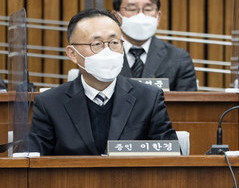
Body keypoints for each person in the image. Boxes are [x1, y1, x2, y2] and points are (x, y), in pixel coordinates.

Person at [28, 8, 177, 155]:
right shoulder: (49, 103)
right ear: (73, 54)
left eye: (114, 42)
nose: (108, 51)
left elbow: (173, 158)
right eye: (97, 44)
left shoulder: (149, 98)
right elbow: (33, 162)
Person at [112, 0, 197, 91]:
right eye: (132, 9)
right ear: (116, 17)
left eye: (148, 9)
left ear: (158, 17)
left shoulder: (178, 58)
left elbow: (187, 106)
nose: (141, 15)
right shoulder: (103, 55)